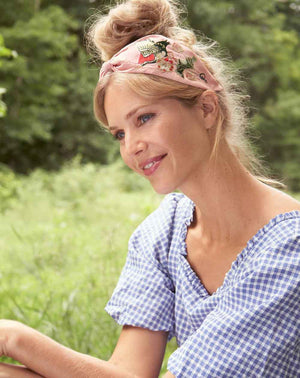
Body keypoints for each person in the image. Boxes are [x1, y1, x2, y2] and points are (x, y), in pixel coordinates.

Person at [1, 0, 300, 377]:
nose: (131, 147)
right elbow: (128, 373)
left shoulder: (290, 250)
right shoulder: (166, 232)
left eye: (145, 118)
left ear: (207, 109)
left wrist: (13, 337)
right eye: (119, 134)